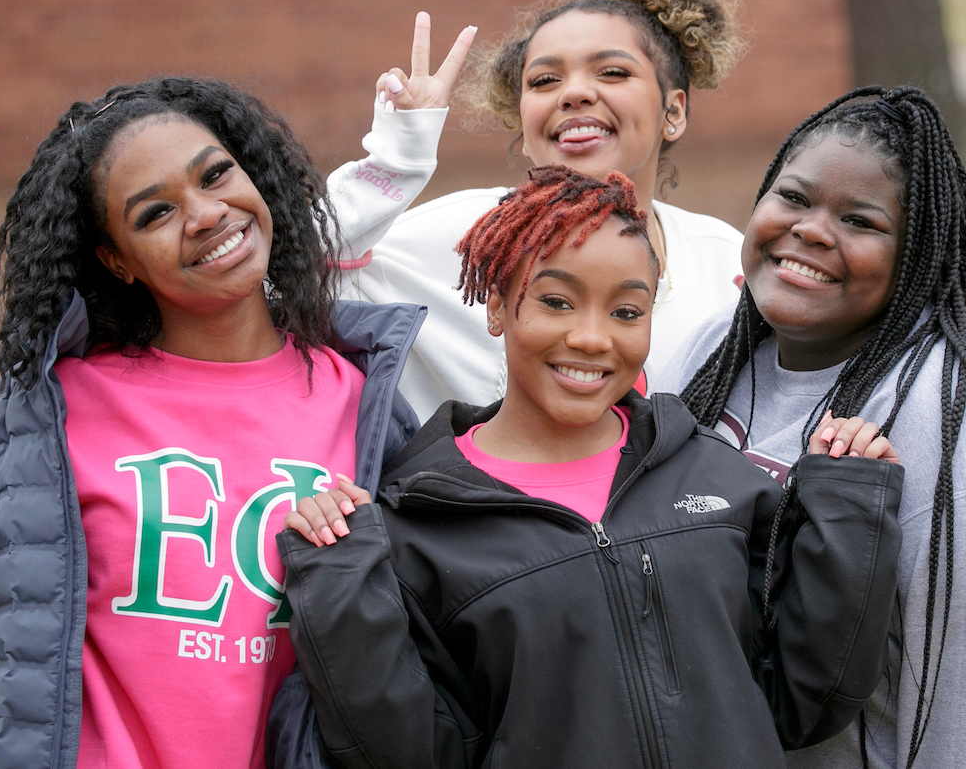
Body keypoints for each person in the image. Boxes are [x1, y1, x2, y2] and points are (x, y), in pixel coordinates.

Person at [278, 165, 905, 768]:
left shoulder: (716, 479)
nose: (593, 338)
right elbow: (410, 752)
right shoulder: (417, 524)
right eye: (556, 301)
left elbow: (805, 699)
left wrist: (846, 504)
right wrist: (337, 579)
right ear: (496, 307)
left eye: (627, 312)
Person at [0, 77, 422, 769]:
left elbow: (412, 655)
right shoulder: (44, 411)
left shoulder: (367, 406)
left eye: (216, 174)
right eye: (154, 213)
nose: (206, 213)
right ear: (115, 260)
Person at [659, 86, 966, 768]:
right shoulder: (709, 353)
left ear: (919, 257)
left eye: (860, 220)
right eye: (793, 196)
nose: (813, 230)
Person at [325, 0, 750, 421]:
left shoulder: (725, 263)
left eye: (612, 72)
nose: (574, 93)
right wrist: (399, 155)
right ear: (523, 127)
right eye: (545, 81)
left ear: (673, 112)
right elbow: (294, 267)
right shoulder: (459, 237)